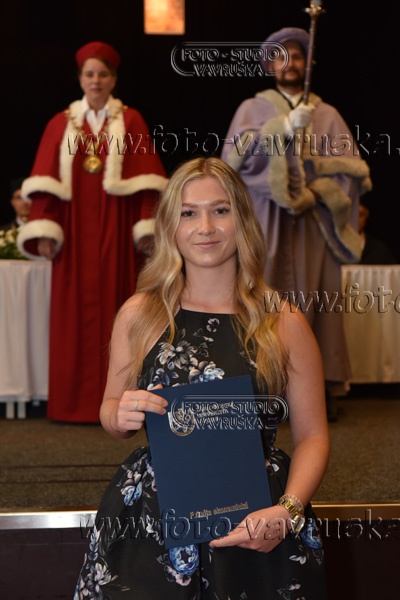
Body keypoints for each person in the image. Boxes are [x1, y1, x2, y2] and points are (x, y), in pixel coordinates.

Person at [74, 156, 330, 599]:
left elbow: (313, 436)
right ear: (169, 226)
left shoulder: (283, 320)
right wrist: (120, 414)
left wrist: (287, 511)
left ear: (243, 220)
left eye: (220, 210)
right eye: (188, 213)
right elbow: (110, 412)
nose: (205, 227)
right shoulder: (140, 314)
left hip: (258, 513)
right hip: (154, 515)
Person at [220, 27, 372, 422]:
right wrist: (282, 128)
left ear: (308, 64)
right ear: (269, 64)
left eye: (297, 56)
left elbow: (351, 174)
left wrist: (313, 191)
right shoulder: (251, 109)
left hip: (313, 224)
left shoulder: (327, 115)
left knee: (315, 301)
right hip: (264, 221)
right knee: (262, 299)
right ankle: (262, 388)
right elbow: (233, 167)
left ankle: (318, 389)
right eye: (280, 56)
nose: (289, 64)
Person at [17, 41, 168, 423]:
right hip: (72, 238)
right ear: (80, 78)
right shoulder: (61, 123)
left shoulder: (131, 121)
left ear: (113, 79)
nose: (96, 80)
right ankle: (72, 404)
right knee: (71, 323)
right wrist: (45, 228)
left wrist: (146, 228)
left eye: (103, 74)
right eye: (89, 74)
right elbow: (46, 182)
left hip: (117, 234)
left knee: (121, 312)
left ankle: (118, 402)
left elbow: (147, 182)